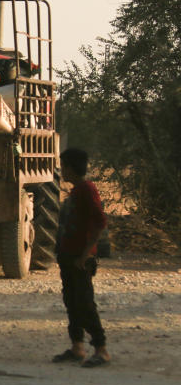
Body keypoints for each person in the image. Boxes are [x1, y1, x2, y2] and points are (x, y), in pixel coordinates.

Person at [52, 148, 111, 368]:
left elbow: (100, 222)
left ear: (71, 167)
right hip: (69, 256)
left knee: (85, 303)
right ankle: (77, 347)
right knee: (72, 301)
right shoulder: (76, 191)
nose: (62, 170)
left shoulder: (87, 190)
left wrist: (85, 254)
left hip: (79, 258)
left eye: (64, 166)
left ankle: (101, 349)